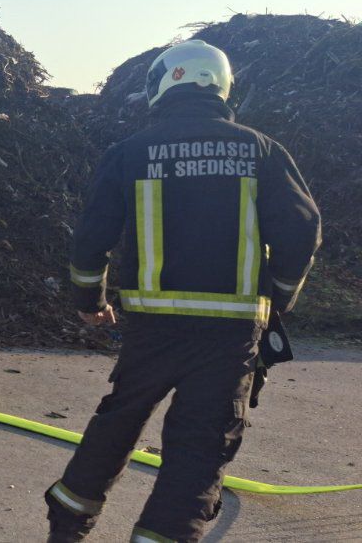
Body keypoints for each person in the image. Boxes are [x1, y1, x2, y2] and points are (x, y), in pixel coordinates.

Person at [44, 40, 321, 543]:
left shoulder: (129, 153)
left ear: (165, 83)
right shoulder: (260, 150)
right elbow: (302, 230)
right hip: (229, 337)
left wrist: (91, 300)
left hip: (152, 329)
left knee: (118, 423)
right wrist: (279, 299)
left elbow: (92, 237)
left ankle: (67, 525)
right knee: (198, 448)